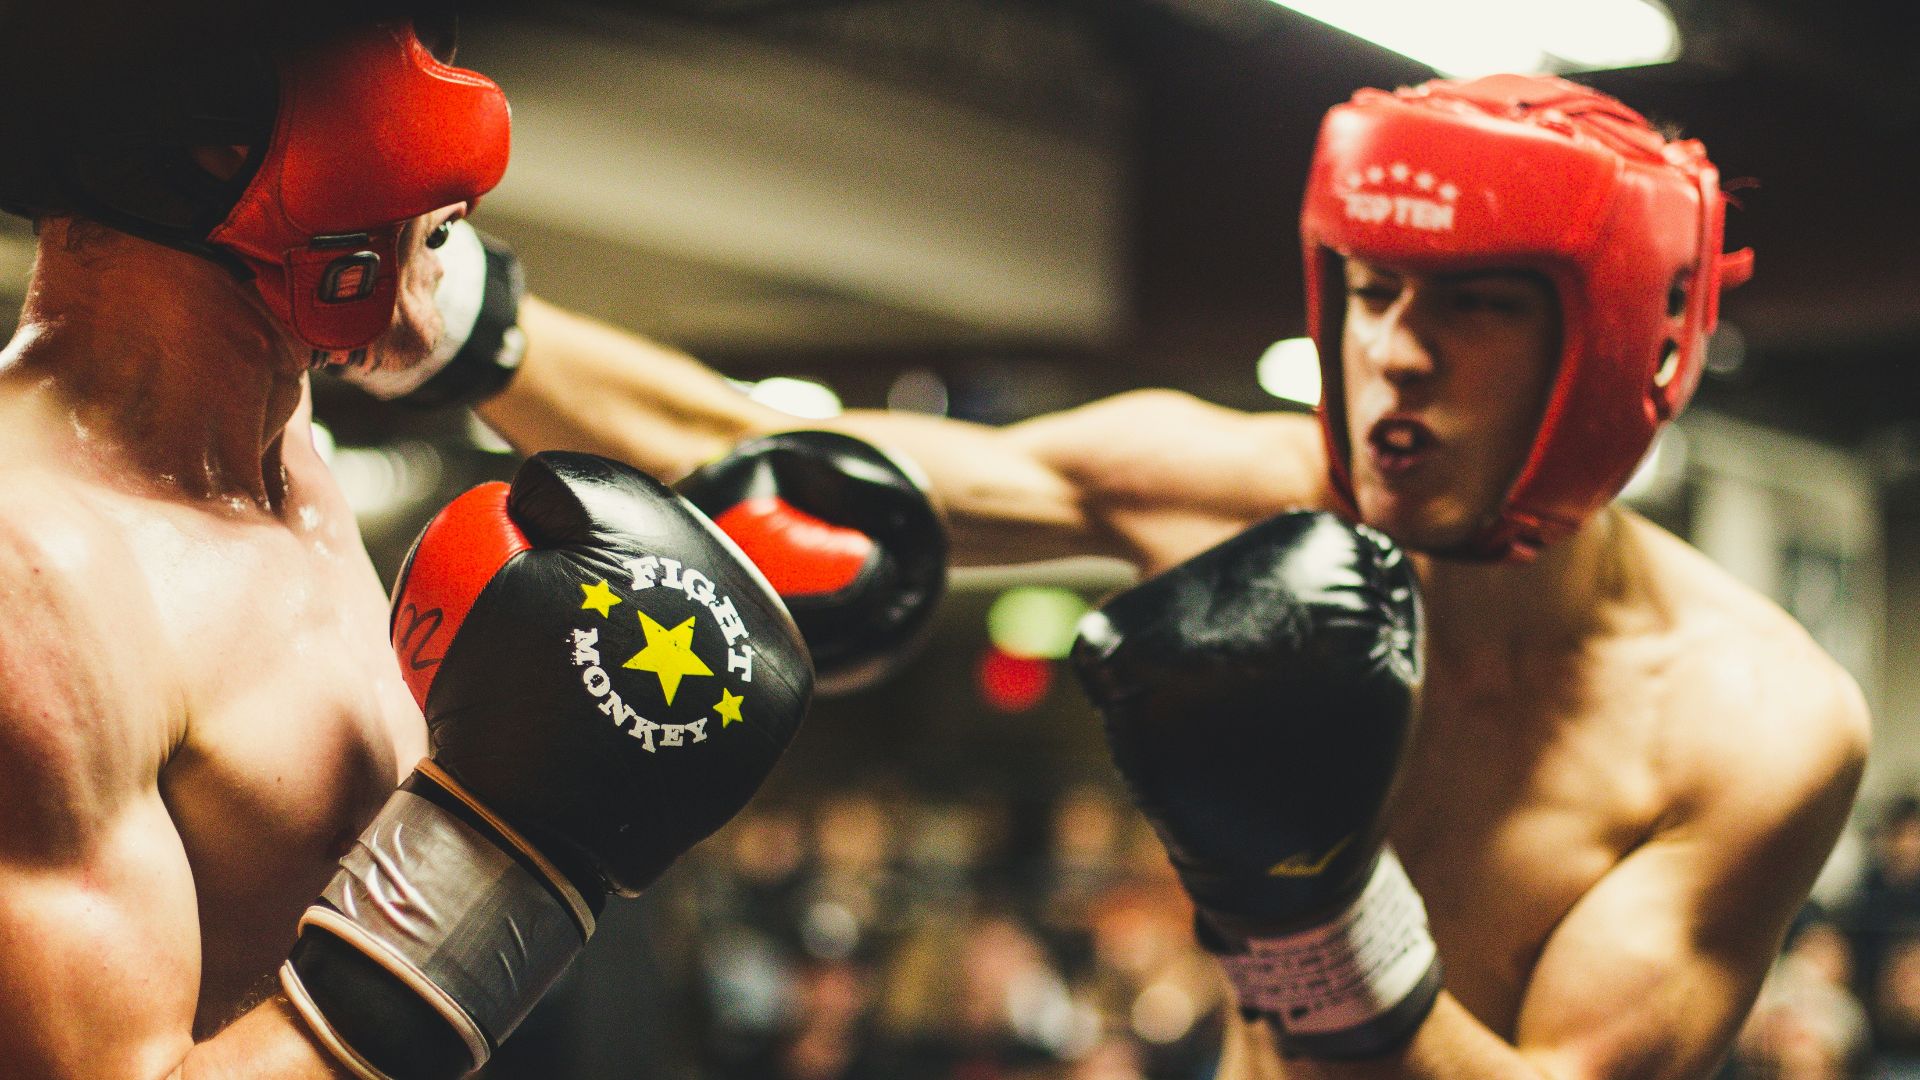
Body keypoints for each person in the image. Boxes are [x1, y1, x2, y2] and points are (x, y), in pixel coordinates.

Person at [466, 75, 1871, 1076]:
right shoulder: (1248, 494)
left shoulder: (1752, 726)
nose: (1398, 349)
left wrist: (1310, 910)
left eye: (1480, 301)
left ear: (1627, 346)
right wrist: (438, 310)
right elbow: (755, 453)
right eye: (1372, 289)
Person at [0, 5, 937, 1078]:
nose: (442, 92)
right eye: (374, 47)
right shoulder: (34, 577)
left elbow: (704, 425)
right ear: (208, 130)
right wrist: (498, 854)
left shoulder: (285, 436)